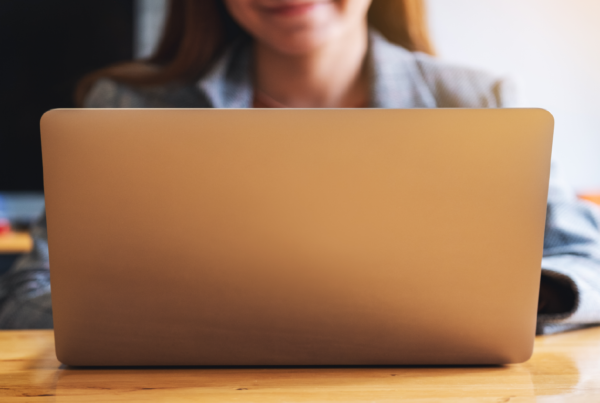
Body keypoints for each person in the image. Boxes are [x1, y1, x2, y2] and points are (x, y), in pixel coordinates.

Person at [1, 0, 599, 334]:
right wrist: (161, 315)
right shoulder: (123, 109)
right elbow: (27, 295)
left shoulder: (479, 101)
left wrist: (498, 300)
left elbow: (590, 266)